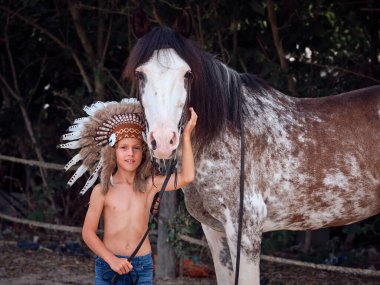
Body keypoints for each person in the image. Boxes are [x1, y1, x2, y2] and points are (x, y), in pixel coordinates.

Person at [59, 98, 197, 285]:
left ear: (144, 153)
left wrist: (186, 136)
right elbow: (88, 233)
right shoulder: (102, 191)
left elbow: (187, 176)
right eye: (123, 148)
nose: (130, 154)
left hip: (142, 266)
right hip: (109, 265)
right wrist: (111, 259)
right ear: (113, 152)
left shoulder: (150, 186)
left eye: (136, 148)